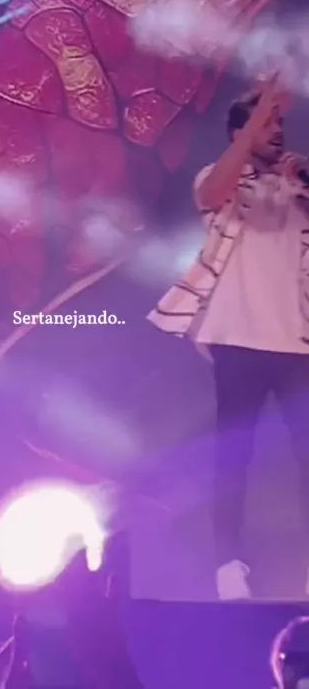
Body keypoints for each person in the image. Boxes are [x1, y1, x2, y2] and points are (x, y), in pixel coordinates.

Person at [148, 75, 309, 600]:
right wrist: (255, 118)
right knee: (234, 457)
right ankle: (228, 565)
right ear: (239, 133)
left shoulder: (300, 186)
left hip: (298, 345)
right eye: (266, 123)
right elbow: (212, 192)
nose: (277, 130)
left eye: (280, 122)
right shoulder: (221, 183)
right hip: (237, 338)